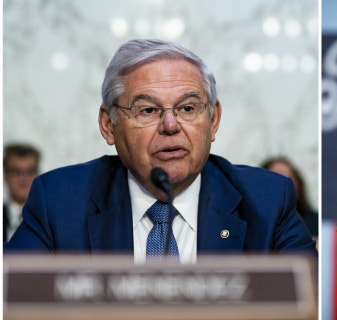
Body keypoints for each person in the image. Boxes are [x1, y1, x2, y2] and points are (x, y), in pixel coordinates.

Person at [4, 39, 316, 263]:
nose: (170, 125)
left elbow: (307, 302)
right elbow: (12, 299)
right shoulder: (59, 203)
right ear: (109, 125)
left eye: (188, 107)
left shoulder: (268, 201)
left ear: (213, 119)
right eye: (148, 110)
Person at [261, 156, 318, 237]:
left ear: (298, 185)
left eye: (290, 178)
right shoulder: (250, 225)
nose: (285, 184)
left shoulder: (315, 222)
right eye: (277, 178)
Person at [3, 143, 40, 242]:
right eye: (16, 172)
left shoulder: (48, 219)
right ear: (5, 176)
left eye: (29, 171)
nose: (23, 178)